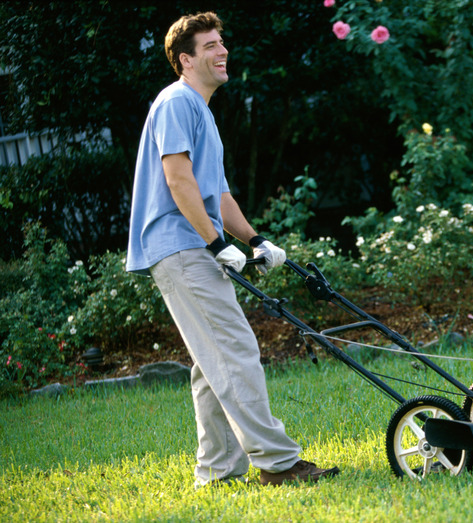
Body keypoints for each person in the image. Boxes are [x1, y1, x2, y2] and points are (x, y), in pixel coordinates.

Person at [126, 11, 339, 488]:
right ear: (186, 60)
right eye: (210, 47)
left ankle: (218, 470)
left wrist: (254, 239)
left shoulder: (202, 111)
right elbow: (178, 180)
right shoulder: (176, 102)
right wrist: (215, 242)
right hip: (180, 247)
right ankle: (279, 464)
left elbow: (217, 196)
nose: (223, 52)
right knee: (235, 348)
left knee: (210, 361)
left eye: (222, 44)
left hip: (192, 244)